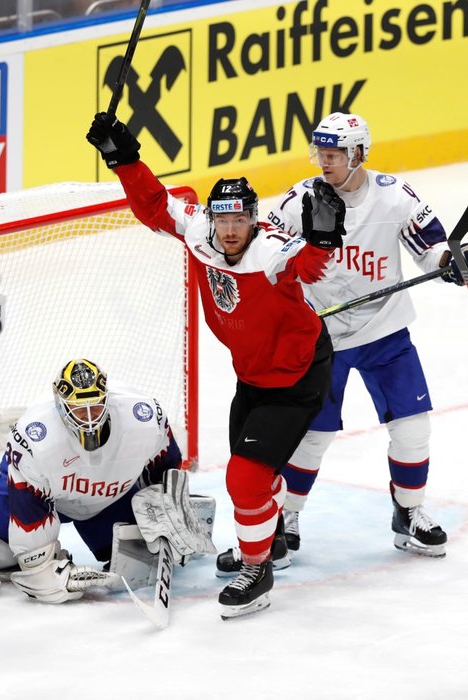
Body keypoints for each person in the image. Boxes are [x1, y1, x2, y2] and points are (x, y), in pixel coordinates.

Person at [86, 111, 343, 619]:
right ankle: (270, 543)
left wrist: (323, 240)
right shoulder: (200, 231)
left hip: (296, 375)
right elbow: (157, 206)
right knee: (254, 476)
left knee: (245, 477)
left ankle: (257, 571)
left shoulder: (269, 249)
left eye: (239, 221)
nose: (229, 231)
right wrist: (124, 160)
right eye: (222, 220)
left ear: (254, 218)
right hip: (251, 375)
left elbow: (307, 266)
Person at [264, 112, 468, 559]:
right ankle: (286, 517)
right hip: (321, 335)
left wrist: (454, 262)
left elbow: (432, 245)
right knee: (314, 436)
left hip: (385, 330)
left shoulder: (393, 196)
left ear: (359, 153)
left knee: (412, 428)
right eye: (320, 154)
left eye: (333, 155)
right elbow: (266, 244)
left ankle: (409, 511)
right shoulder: (299, 200)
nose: (323, 163)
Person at [0, 358, 215, 600]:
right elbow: (30, 521)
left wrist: (167, 509)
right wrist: (43, 569)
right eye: (79, 409)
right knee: (0, 555)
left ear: (107, 400)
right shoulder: (35, 439)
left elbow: (166, 465)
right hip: (45, 496)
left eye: (95, 407)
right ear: (61, 407)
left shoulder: (143, 416)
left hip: (109, 498)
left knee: (137, 560)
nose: (88, 418)